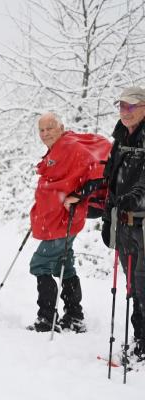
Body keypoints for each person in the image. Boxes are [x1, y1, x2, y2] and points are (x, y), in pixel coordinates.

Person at [28, 112, 107, 333]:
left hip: (65, 219)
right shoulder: (59, 147)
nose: (45, 134)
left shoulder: (71, 146)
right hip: (57, 218)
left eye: (49, 128)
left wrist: (80, 195)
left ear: (61, 127)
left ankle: (46, 319)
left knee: (40, 264)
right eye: (41, 130)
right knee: (65, 264)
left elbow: (100, 173)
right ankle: (74, 316)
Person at [102, 86, 145, 362]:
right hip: (123, 221)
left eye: (130, 107)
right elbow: (111, 177)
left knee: (142, 282)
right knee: (131, 284)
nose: (124, 112)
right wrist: (107, 214)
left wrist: (133, 198)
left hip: (141, 221)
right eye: (121, 106)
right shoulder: (120, 136)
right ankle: (140, 340)